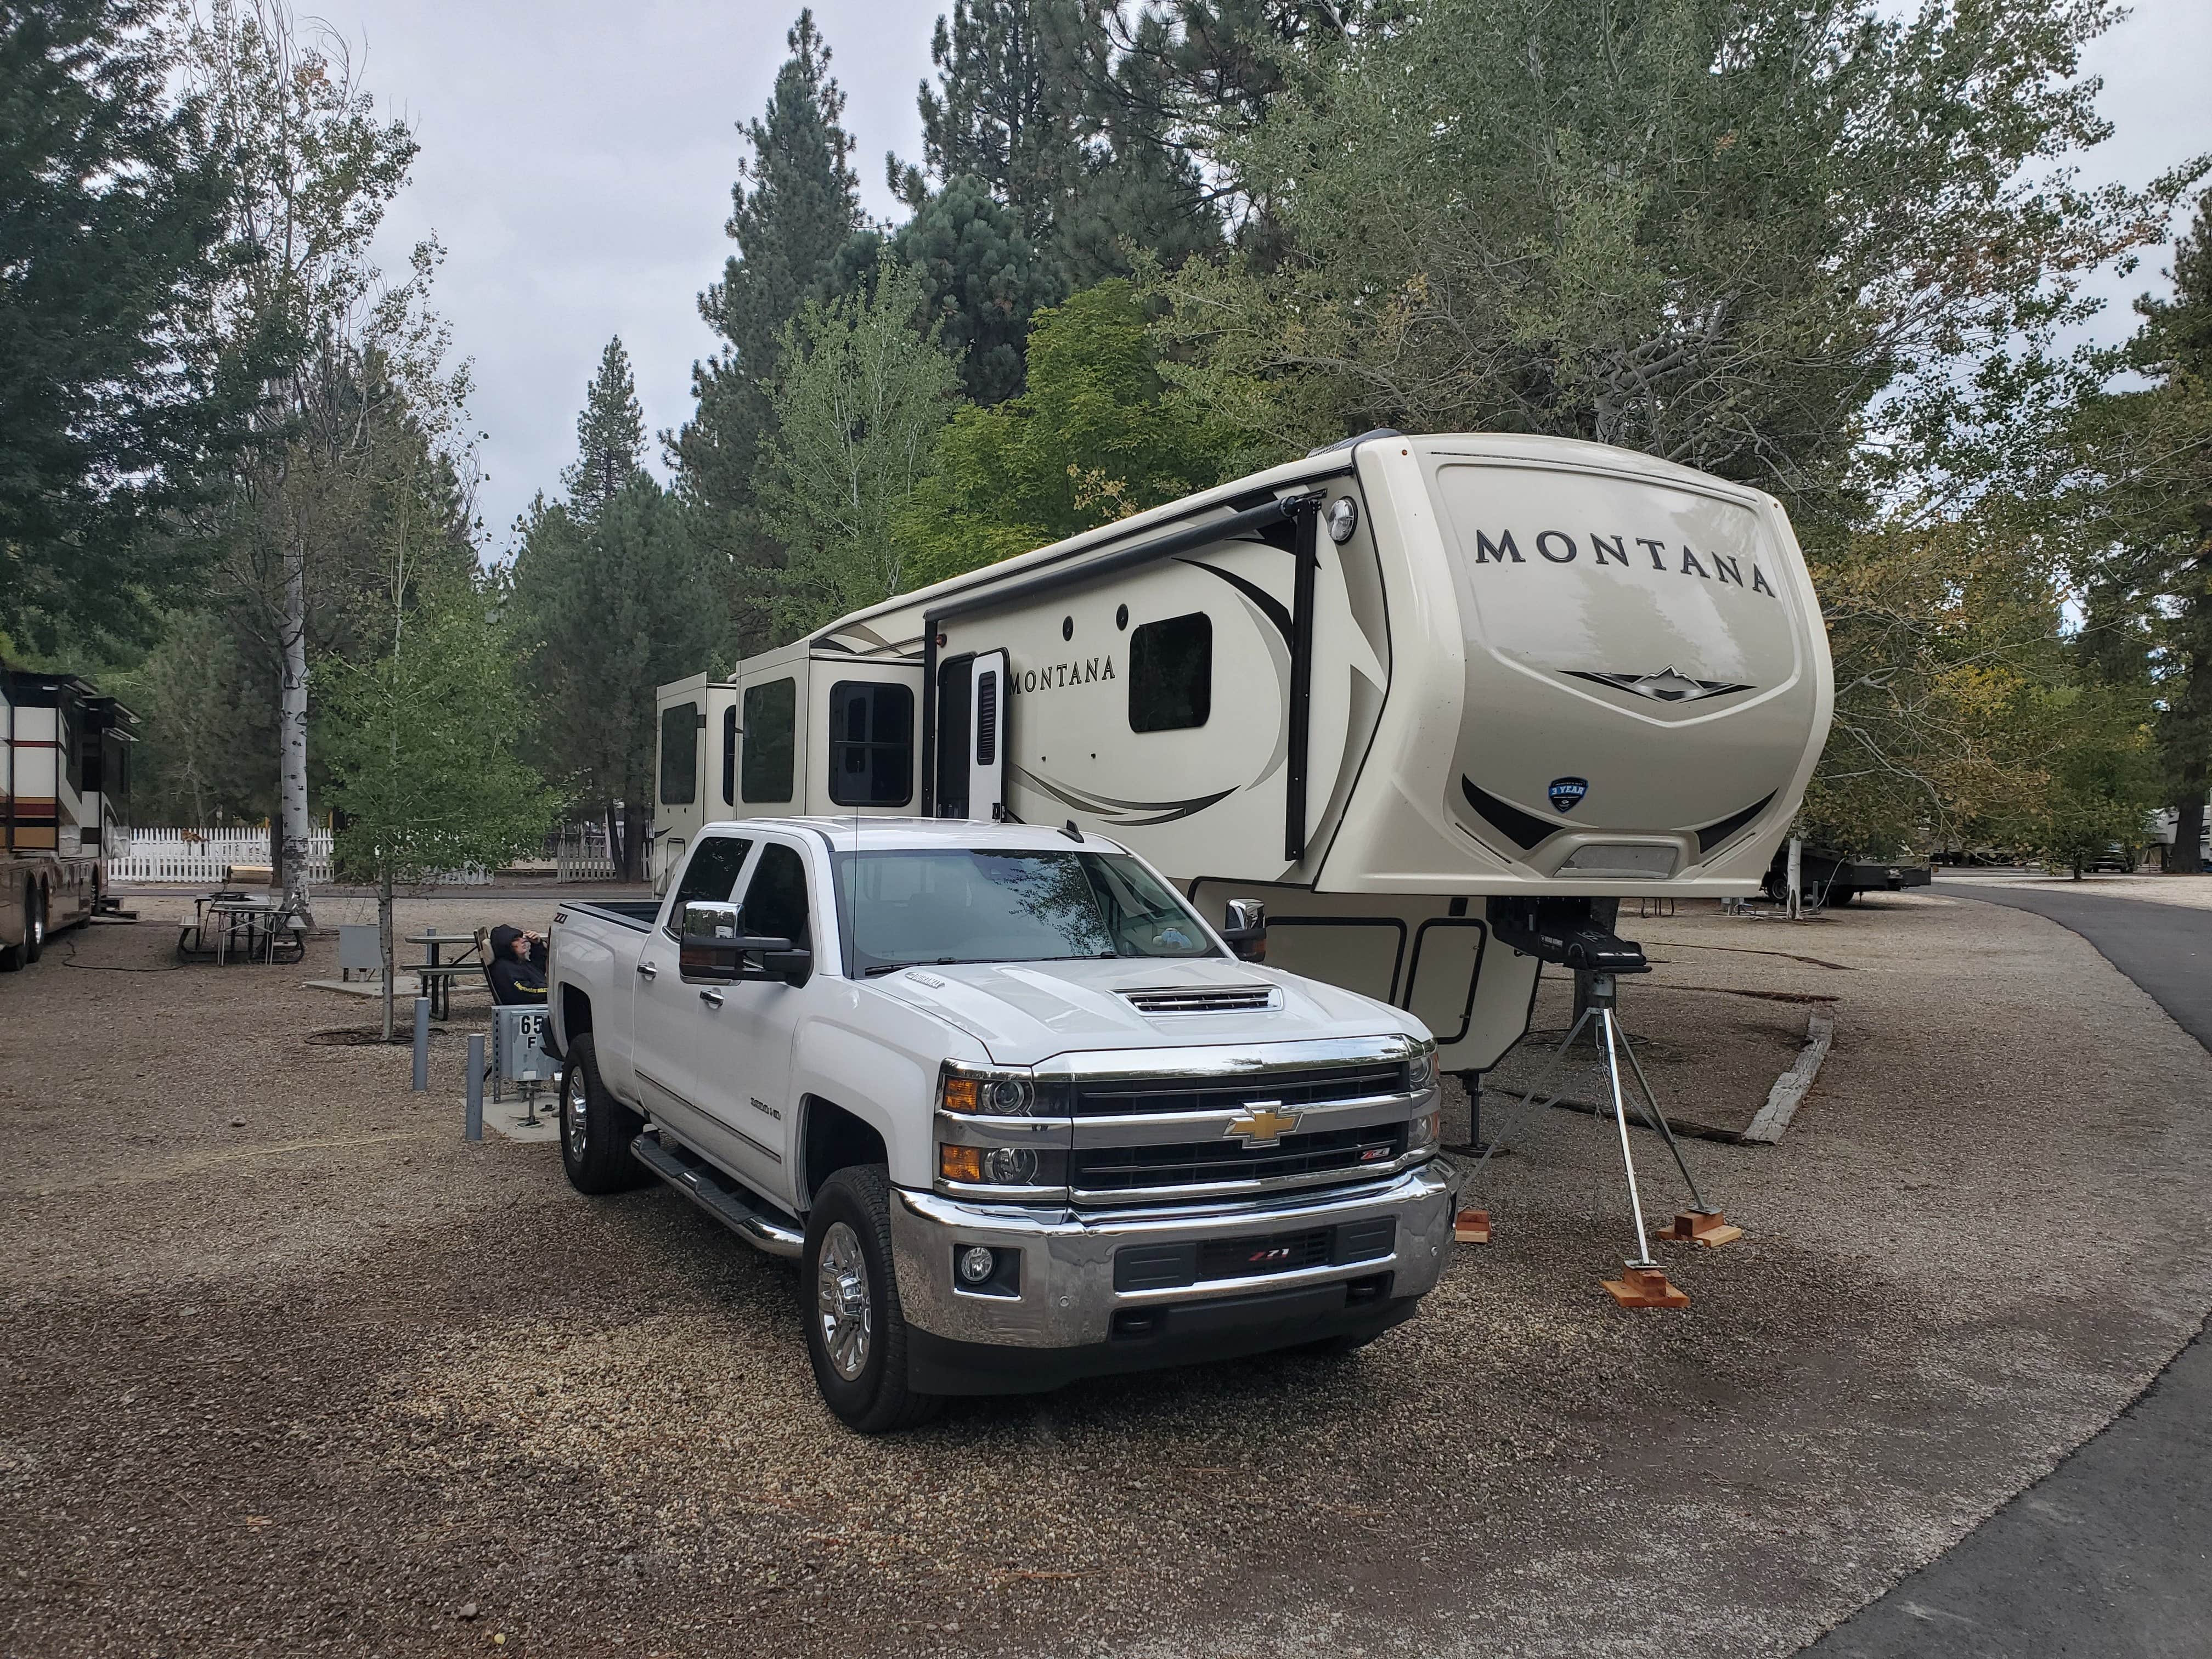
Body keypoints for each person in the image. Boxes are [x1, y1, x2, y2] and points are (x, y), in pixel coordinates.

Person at [488, 924, 549, 1005]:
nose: (523, 940)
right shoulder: (504, 969)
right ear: (506, 946)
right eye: (516, 940)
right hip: (533, 1006)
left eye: (521, 937)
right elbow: (526, 991)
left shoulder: (516, 961)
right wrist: (553, 990)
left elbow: (537, 971)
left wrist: (537, 945)